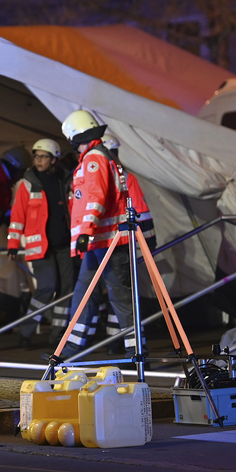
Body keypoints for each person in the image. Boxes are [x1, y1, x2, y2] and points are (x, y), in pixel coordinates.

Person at [61, 111, 137, 355]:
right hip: (101, 240)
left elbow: (95, 198)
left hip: (107, 239)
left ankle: (135, 348)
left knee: (119, 296)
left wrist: (85, 231)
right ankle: (73, 344)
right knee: (85, 291)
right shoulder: (99, 156)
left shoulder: (94, 158)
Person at [6, 138, 75, 347]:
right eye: (36, 156)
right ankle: (26, 332)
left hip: (64, 244)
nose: (38, 160)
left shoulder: (66, 180)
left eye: (43, 156)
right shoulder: (26, 183)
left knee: (66, 290)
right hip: (40, 246)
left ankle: (58, 336)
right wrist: (13, 243)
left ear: (54, 159)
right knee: (46, 287)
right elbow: (17, 216)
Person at [88, 134, 156, 344]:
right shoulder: (122, 177)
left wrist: (148, 243)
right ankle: (117, 342)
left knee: (116, 295)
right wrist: (149, 243)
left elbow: (141, 214)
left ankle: (116, 342)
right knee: (119, 295)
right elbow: (142, 215)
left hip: (106, 245)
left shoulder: (97, 176)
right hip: (111, 245)